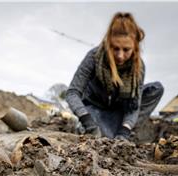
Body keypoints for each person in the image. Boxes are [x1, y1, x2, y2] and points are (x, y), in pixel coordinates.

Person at [66, 12, 164, 140]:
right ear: (108, 43)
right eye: (115, 48)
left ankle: (123, 130)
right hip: (95, 109)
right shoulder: (94, 56)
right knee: (99, 135)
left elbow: (134, 107)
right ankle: (92, 128)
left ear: (135, 48)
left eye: (126, 50)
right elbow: (72, 92)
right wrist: (87, 121)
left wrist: (125, 130)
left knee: (156, 89)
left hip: (119, 110)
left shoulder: (139, 67)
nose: (120, 56)